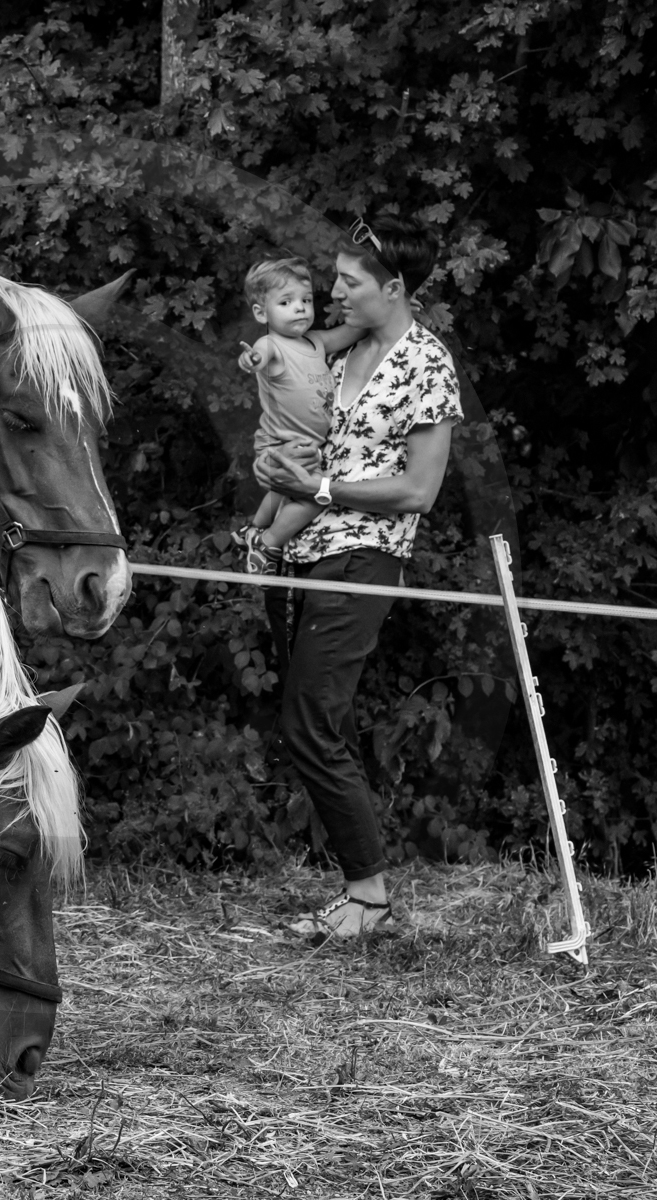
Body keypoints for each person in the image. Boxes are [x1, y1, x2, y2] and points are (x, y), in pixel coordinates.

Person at [253, 214, 462, 938]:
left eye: (349, 282)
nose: (333, 292)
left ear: (394, 288)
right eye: (335, 279)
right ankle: (364, 895)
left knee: (309, 721)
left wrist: (318, 489)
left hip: (367, 554)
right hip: (306, 549)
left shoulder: (426, 363)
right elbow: (302, 432)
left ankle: (368, 899)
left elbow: (418, 491)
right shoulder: (341, 350)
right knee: (320, 722)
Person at [233, 257, 365, 578]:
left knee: (284, 489)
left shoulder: (316, 341)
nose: (300, 308)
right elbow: (259, 356)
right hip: (282, 441)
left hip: (303, 443)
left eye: (306, 300)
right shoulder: (271, 344)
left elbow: (352, 331)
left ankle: (254, 529)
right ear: (261, 313)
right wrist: (251, 359)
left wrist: (391, 311)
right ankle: (268, 543)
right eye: (286, 302)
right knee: (316, 496)